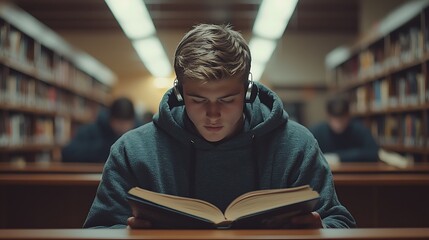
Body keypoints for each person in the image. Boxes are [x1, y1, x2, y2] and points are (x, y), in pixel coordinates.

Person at [84, 24, 355, 229]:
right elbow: (99, 229)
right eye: (198, 99)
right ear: (179, 94)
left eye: (227, 99)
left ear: (248, 92)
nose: (213, 114)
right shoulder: (132, 151)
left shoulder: (297, 145)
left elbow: (340, 222)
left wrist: (321, 230)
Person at [61, 97, 140, 163]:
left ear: (133, 121)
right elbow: (67, 153)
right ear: (110, 119)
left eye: (126, 123)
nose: (123, 127)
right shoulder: (91, 130)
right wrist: (105, 148)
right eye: (119, 123)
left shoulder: (140, 133)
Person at [309, 95, 379, 164]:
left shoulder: (360, 130)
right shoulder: (317, 132)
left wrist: (337, 157)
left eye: (342, 120)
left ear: (348, 115)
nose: (338, 125)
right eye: (335, 120)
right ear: (328, 116)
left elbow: (374, 153)